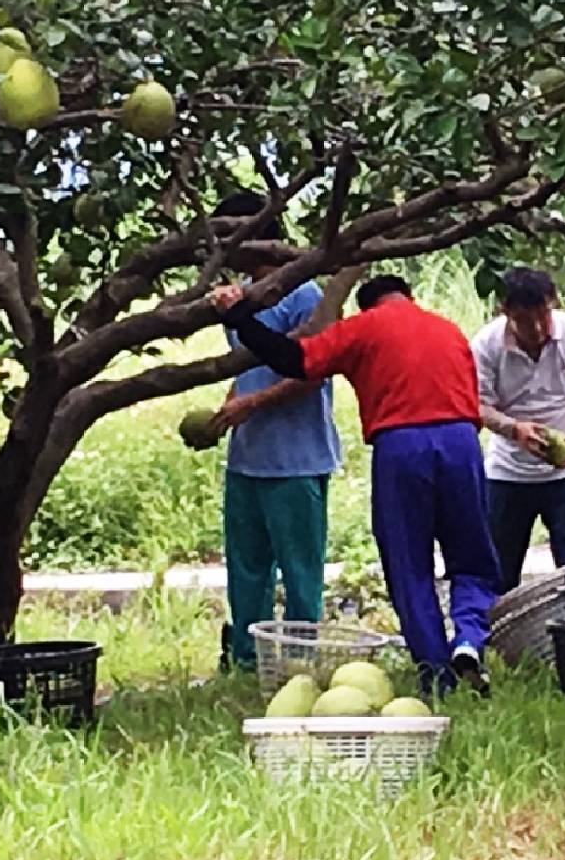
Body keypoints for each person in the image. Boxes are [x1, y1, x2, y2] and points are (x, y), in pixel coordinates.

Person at [211, 273, 501, 694]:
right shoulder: (448, 328)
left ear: (368, 304)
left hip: (401, 444)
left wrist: (240, 318)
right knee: (472, 557)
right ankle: (470, 639)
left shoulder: (363, 328)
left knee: (409, 564)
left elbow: (295, 360)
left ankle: (436, 672)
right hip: (461, 441)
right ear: (410, 297)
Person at [206, 193, 342, 673]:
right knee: (246, 569)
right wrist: (230, 404)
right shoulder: (237, 296)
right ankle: (248, 659)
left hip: (297, 459)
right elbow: (250, 367)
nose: (228, 243)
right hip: (249, 458)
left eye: (236, 232)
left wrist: (253, 403)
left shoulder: (303, 296)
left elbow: (311, 373)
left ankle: (302, 663)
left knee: (300, 571)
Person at [472, 267, 565, 591]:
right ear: (505, 312)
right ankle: (503, 636)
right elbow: (476, 405)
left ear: (553, 303)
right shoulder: (485, 346)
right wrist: (513, 429)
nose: (537, 329)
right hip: (507, 471)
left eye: (543, 317)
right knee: (498, 569)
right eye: (525, 320)